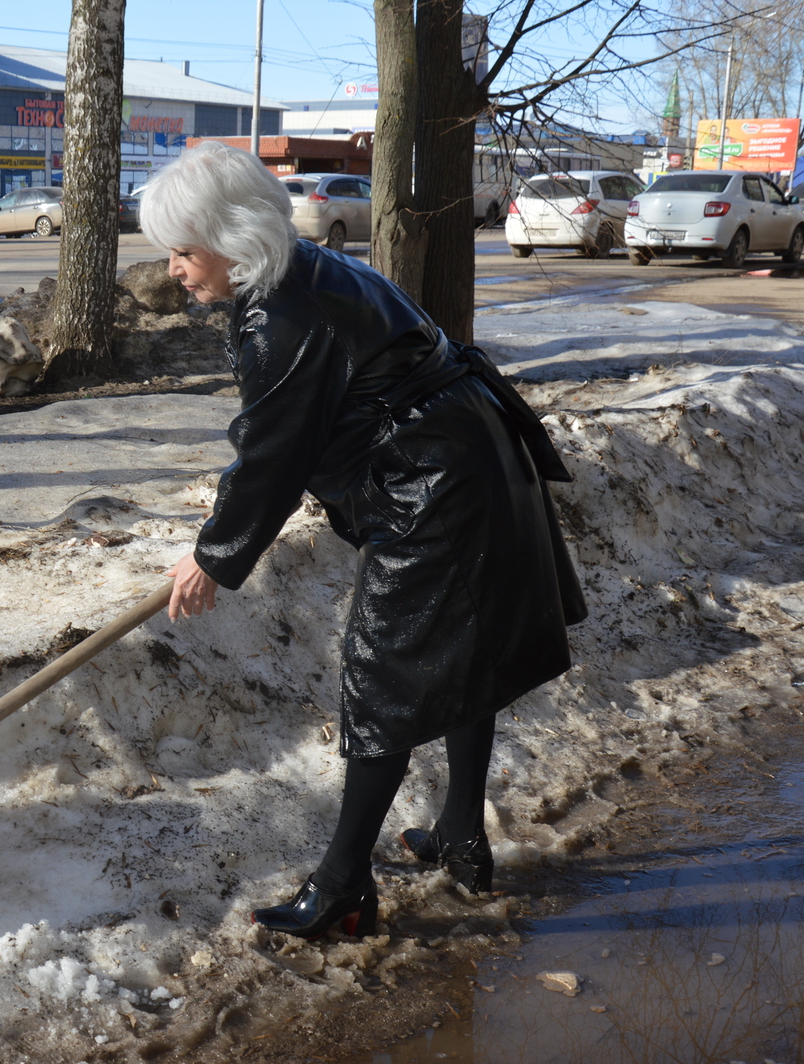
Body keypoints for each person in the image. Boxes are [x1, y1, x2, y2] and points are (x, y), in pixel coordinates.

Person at [146, 142, 587, 940]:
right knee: (464, 654)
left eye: (184, 250)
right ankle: (459, 834)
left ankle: (344, 885)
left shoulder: (280, 314)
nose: (175, 270)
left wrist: (214, 554)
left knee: (384, 679)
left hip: (440, 489)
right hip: (474, 456)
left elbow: (272, 454)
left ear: (233, 235)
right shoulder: (308, 268)